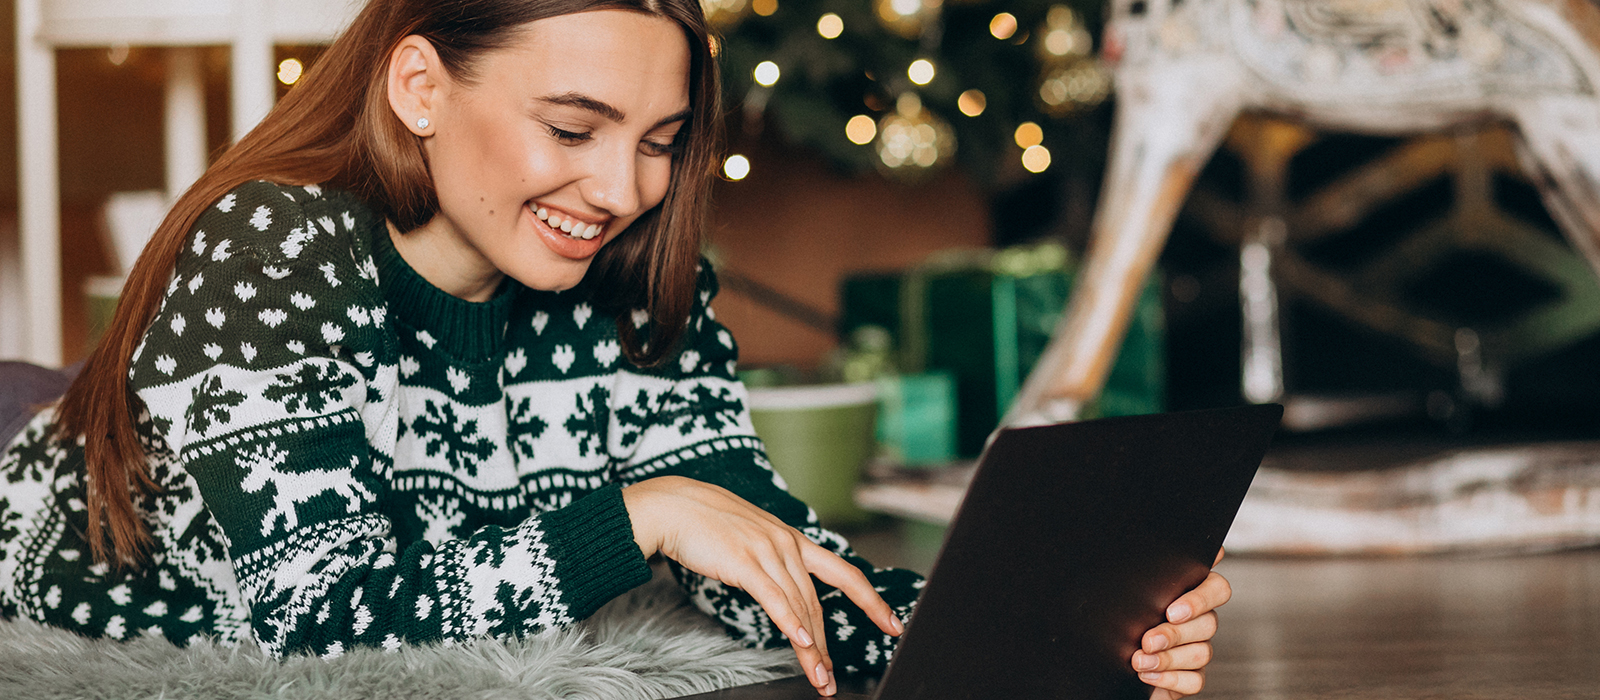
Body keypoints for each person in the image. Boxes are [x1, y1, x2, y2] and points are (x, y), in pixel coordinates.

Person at [0, 0, 1230, 696]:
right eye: (573, 126)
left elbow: (761, 544)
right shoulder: (273, 242)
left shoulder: (639, 274)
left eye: (659, 139)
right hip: (75, 525)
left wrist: (1049, 627)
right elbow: (320, 630)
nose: (621, 186)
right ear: (419, 88)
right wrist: (633, 514)